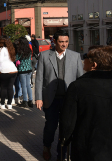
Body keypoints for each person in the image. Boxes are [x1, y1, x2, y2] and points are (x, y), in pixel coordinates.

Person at [35, 30, 84, 161]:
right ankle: (47, 146)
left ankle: (61, 154)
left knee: (66, 128)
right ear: (55, 41)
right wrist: (38, 97)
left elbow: (80, 79)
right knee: (50, 126)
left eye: (66, 41)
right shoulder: (45, 56)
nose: (64, 44)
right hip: (51, 99)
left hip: (69, 100)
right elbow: (39, 78)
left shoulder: (75, 56)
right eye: (61, 42)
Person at [59, 46, 112, 161]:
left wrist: (64, 139)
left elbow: (68, 120)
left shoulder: (78, 86)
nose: (84, 60)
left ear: (94, 65)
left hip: (87, 145)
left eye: (86, 57)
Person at [0, 38, 18, 109]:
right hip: (13, 70)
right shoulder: (11, 49)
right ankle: (9, 104)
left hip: (5, 70)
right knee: (10, 87)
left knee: (3, 87)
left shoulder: (2, 49)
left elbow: (0, 60)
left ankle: (2, 104)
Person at [15, 37, 34, 108]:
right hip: (29, 69)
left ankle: (25, 101)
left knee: (23, 86)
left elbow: (16, 58)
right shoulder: (29, 50)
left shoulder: (20, 51)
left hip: (22, 70)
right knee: (28, 85)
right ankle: (31, 101)